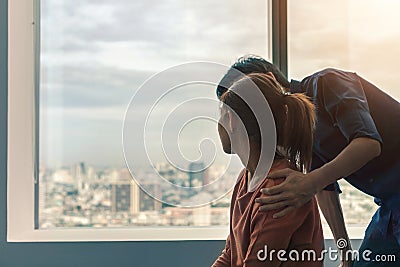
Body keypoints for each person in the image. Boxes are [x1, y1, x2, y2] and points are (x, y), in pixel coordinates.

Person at [216, 55, 400, 266]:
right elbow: (324, 189)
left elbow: (368, 143)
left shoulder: (329, 83)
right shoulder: (300, 134)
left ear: (270, 79)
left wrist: (312, 181)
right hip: (391, 207)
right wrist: (345, 252)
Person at [213, 73, 324, 267]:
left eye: (220, 114)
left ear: (230, 119)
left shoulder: (277, 187)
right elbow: (230, 254)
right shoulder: (245, 179)